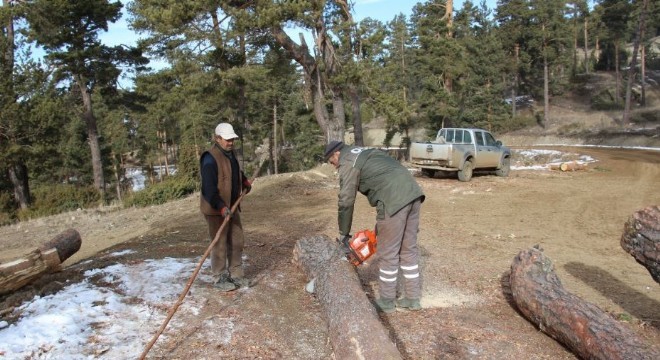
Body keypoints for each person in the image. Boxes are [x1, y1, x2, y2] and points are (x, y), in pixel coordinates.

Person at [324, 141, 425, 313]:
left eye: (332, 162)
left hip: (392, 199)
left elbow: (346, 200)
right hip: (413, 193)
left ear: (336, 154)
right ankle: (413, 299)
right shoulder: (363, 151)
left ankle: (386, 300)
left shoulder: (348, 161)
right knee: (408, 249)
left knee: (388, 252)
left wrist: (344, 233)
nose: (334, 167)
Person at [200, 122, 252, 291]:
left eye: (232, 139)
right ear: (217, 138)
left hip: (232, 205)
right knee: (220, 243)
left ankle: (236, 273)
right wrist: (221, 207)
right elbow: (208, 189)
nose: (231, 142)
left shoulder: (230, 154)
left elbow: (235, 172)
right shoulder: (209, 158)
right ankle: (219, 276)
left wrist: (244, 181)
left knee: (237, 240)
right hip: (216, 209)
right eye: (227, 140)